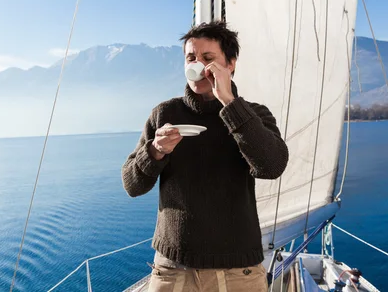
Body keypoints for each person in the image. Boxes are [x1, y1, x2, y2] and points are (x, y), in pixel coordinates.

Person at [121, 20, 289, 291]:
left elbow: (272, 166)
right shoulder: (165, 115)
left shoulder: (254, 114)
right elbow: (131, 185)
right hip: (172, 270)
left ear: (230, 64)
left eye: (208, 58)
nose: (196, 65)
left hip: (239, 272)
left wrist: (230, 104)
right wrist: (155, 151)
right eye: (191, 58)